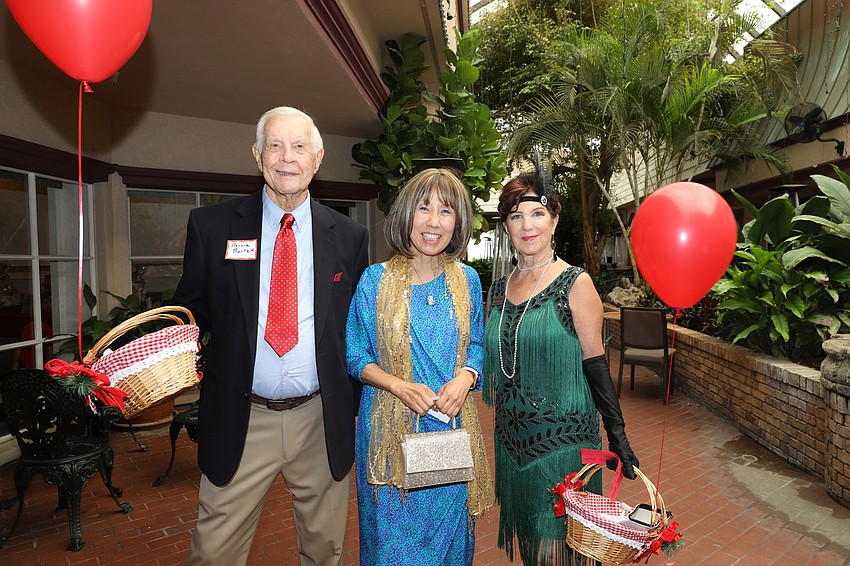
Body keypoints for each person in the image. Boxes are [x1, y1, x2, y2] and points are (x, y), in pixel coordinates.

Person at [173, 106, 369, 566]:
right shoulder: (212, 227)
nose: (287, 158)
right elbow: (189, 313)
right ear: (258, 156)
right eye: (275, 146)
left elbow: (361, 325)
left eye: (299, 146)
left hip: (320, 418)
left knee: (325, 551)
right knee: (213, 552)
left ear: (317, 158)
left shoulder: (349, 237)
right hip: (242, 414)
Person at [483, 171, 640, 565]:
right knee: (535, 549)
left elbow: (595, 361)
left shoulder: (575, 281)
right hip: (513, 444)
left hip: (563, 447)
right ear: (506, 227)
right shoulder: (501, 287)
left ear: (554, 221)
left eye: (537, 214)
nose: (527, 225)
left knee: (561, 551)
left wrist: (617, 433)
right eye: (516, 217)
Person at [346, 168, 494, 565]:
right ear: (406, 214)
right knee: (392, 551)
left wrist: (466, 376)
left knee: (450, 550)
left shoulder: (468, 281)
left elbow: (476, 347)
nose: (433, 221)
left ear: (457, 222)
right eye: (423, 208)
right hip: (390, 440)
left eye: (446, 211)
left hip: (449, 434)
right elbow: (356, 356)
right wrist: (398, 386)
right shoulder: (373, 281)